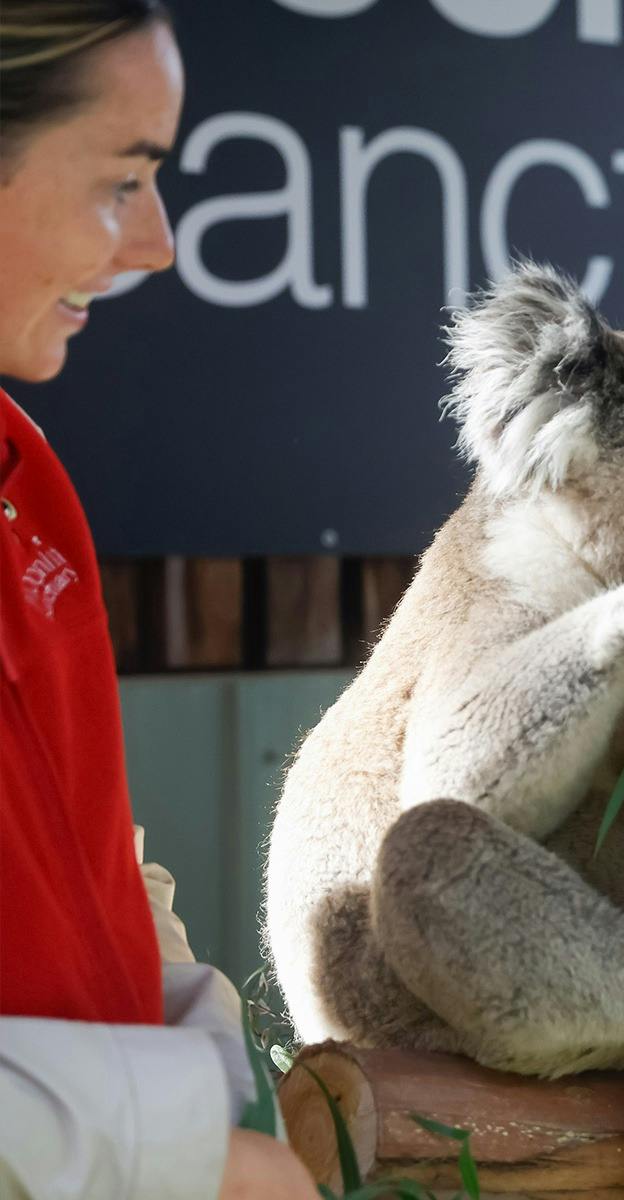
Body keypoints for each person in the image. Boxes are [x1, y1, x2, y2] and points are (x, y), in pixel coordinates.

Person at [0, 4, 318, 1196]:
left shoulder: (26, 473)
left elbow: (88, 848)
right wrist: (163, 1141)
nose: (158, 245)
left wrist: (198, 1042)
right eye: (122, 181)